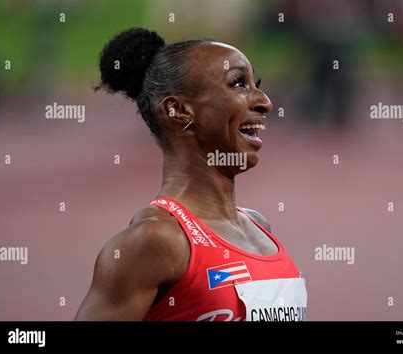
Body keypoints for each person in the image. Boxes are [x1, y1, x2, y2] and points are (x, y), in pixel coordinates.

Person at [75, 28, 307, 321]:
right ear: (179, 110)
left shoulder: (259, 227)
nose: (264, 101)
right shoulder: (155, 241)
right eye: (238, 84)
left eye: (255, 84)